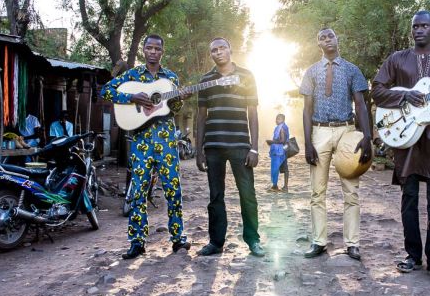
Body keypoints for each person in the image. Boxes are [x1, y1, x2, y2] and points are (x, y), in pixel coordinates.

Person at [371, 11, 430, 283]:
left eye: (424, 25)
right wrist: (405, 95)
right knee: (408, 199)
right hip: (405, 138)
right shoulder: (397, 59)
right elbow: (377, 90)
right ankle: (412, 255)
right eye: (415, 26)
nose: (419, 30)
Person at [101, 34, 191, 259]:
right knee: (138, 191)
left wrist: (181, 96)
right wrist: (132, 97)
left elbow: (175, 108)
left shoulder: (170, 77)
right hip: (141, 141)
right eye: (149, 48)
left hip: (167, 140)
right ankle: (137, 242)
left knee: (173, 189)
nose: (153, 52)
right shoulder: (133, 75)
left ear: (162, 51)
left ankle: (178, 239)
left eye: (157, 49)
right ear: (144, 50)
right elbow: (106, 91)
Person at [299, 28, 372, 261]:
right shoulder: (311, 72)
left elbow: (360, 105)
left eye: (330, 35)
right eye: (321, 37)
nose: (327, 39)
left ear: (337, 39)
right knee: (317, 192)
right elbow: (307, 109)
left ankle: (352, 243)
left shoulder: (352, 70)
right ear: (317, 44)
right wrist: (308, 143)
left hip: (347, 131)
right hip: (319, 131)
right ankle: (319, 241)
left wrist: (367, 137)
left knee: (351, 191)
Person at [195, 37, 265, 257]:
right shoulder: (206, 80)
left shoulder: (247, 75)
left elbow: (252, 113)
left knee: (247, 194)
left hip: (240, 145)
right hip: (213, 146)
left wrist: (254, 148)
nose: (218, 52)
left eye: (222, 47)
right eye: (214, 50)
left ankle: (253, 240)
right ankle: (216, 242)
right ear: (211, 55)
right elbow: (201, 116)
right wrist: (199, 151)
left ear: (230, 50)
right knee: (216, 196)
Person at [266, 113, 289, 192]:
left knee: (280, 168)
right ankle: (277, 186)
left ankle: (282, 187)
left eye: (278, 119)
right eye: (276, 119)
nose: (276, 120)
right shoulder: (282, 127)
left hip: (280, 151)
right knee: (279, 168)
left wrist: (272, 142)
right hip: (282, 150)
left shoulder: (281, 128)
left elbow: (282, 140)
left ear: (283, 120)